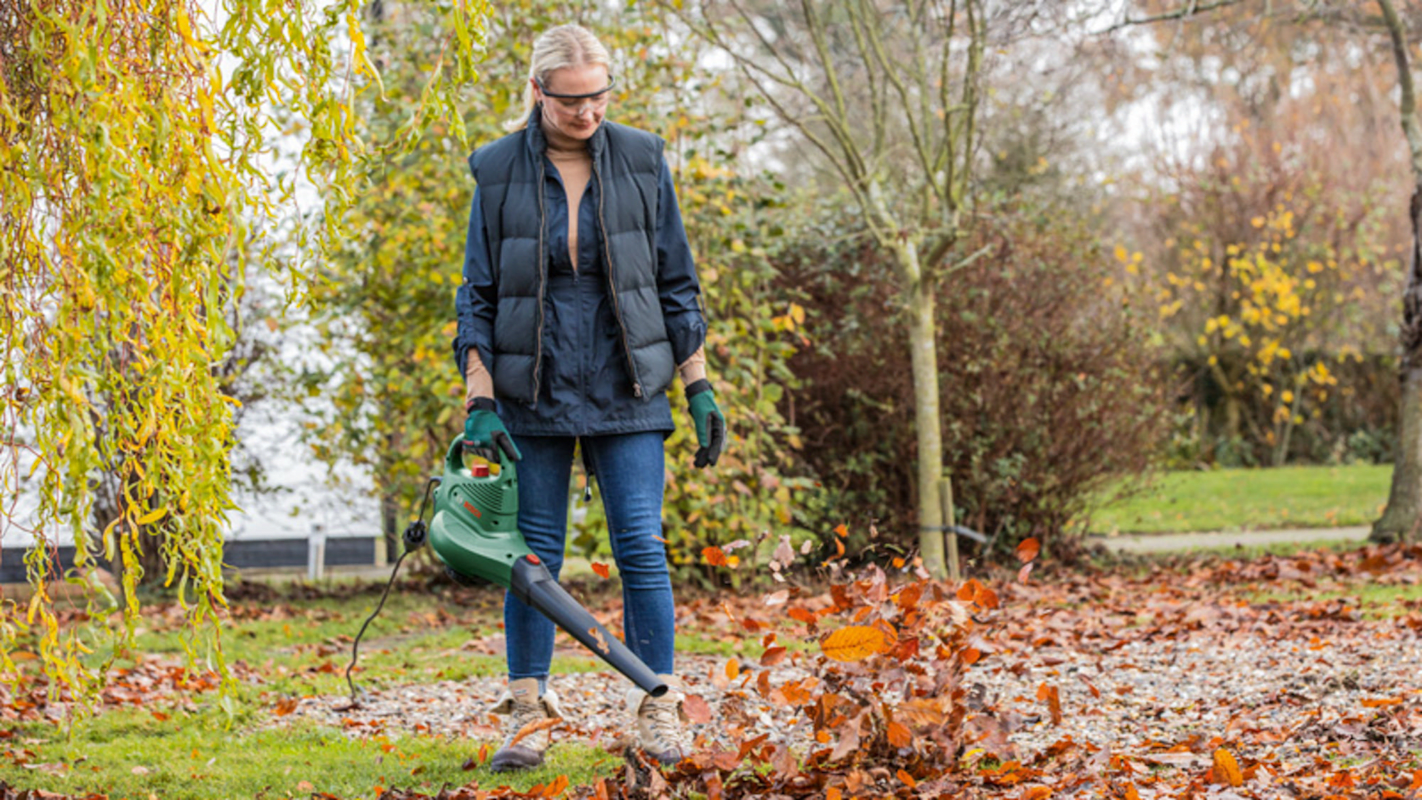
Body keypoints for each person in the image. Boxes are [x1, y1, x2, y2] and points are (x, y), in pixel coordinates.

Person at [452, 24, 726, 772]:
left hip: (626, 381)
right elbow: (478, 294)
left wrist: (698, 383)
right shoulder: (497, 169)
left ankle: (658, 706)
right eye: (571, 100)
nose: (588, 112)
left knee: (640, 544)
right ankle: (528, 714)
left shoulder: (642, 158)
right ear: (538, 91)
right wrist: (480, 399)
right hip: (531, 389)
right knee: (532, 557)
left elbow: (676, 281)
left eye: (599, 96)